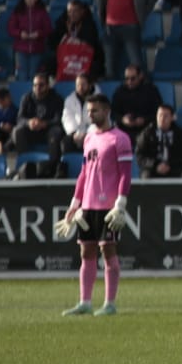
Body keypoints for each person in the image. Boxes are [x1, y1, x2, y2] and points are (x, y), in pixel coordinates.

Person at [54, 94, 133, 318]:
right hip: (87, 205)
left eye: (95, 111)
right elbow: (84, 173)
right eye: (89, 111)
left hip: (108, 205)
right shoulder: (89, 138)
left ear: (107, 111)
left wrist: (121, 203)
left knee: (108, 250)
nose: (90, 115)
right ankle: (85, 302)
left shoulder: (120, 139)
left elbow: (125, 175)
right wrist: (74, 204)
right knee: (86, 251)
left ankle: (109, 303)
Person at [137, 105, 182, 178]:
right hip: (153, 168)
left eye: (166, 116)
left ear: (172, 118)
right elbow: (140, 156)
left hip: (173, 167)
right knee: (146, 177)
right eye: (160, 115)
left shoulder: (179, 133)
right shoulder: (147, 133)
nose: (162, 119)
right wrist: (155, 165)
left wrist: (169, 165)